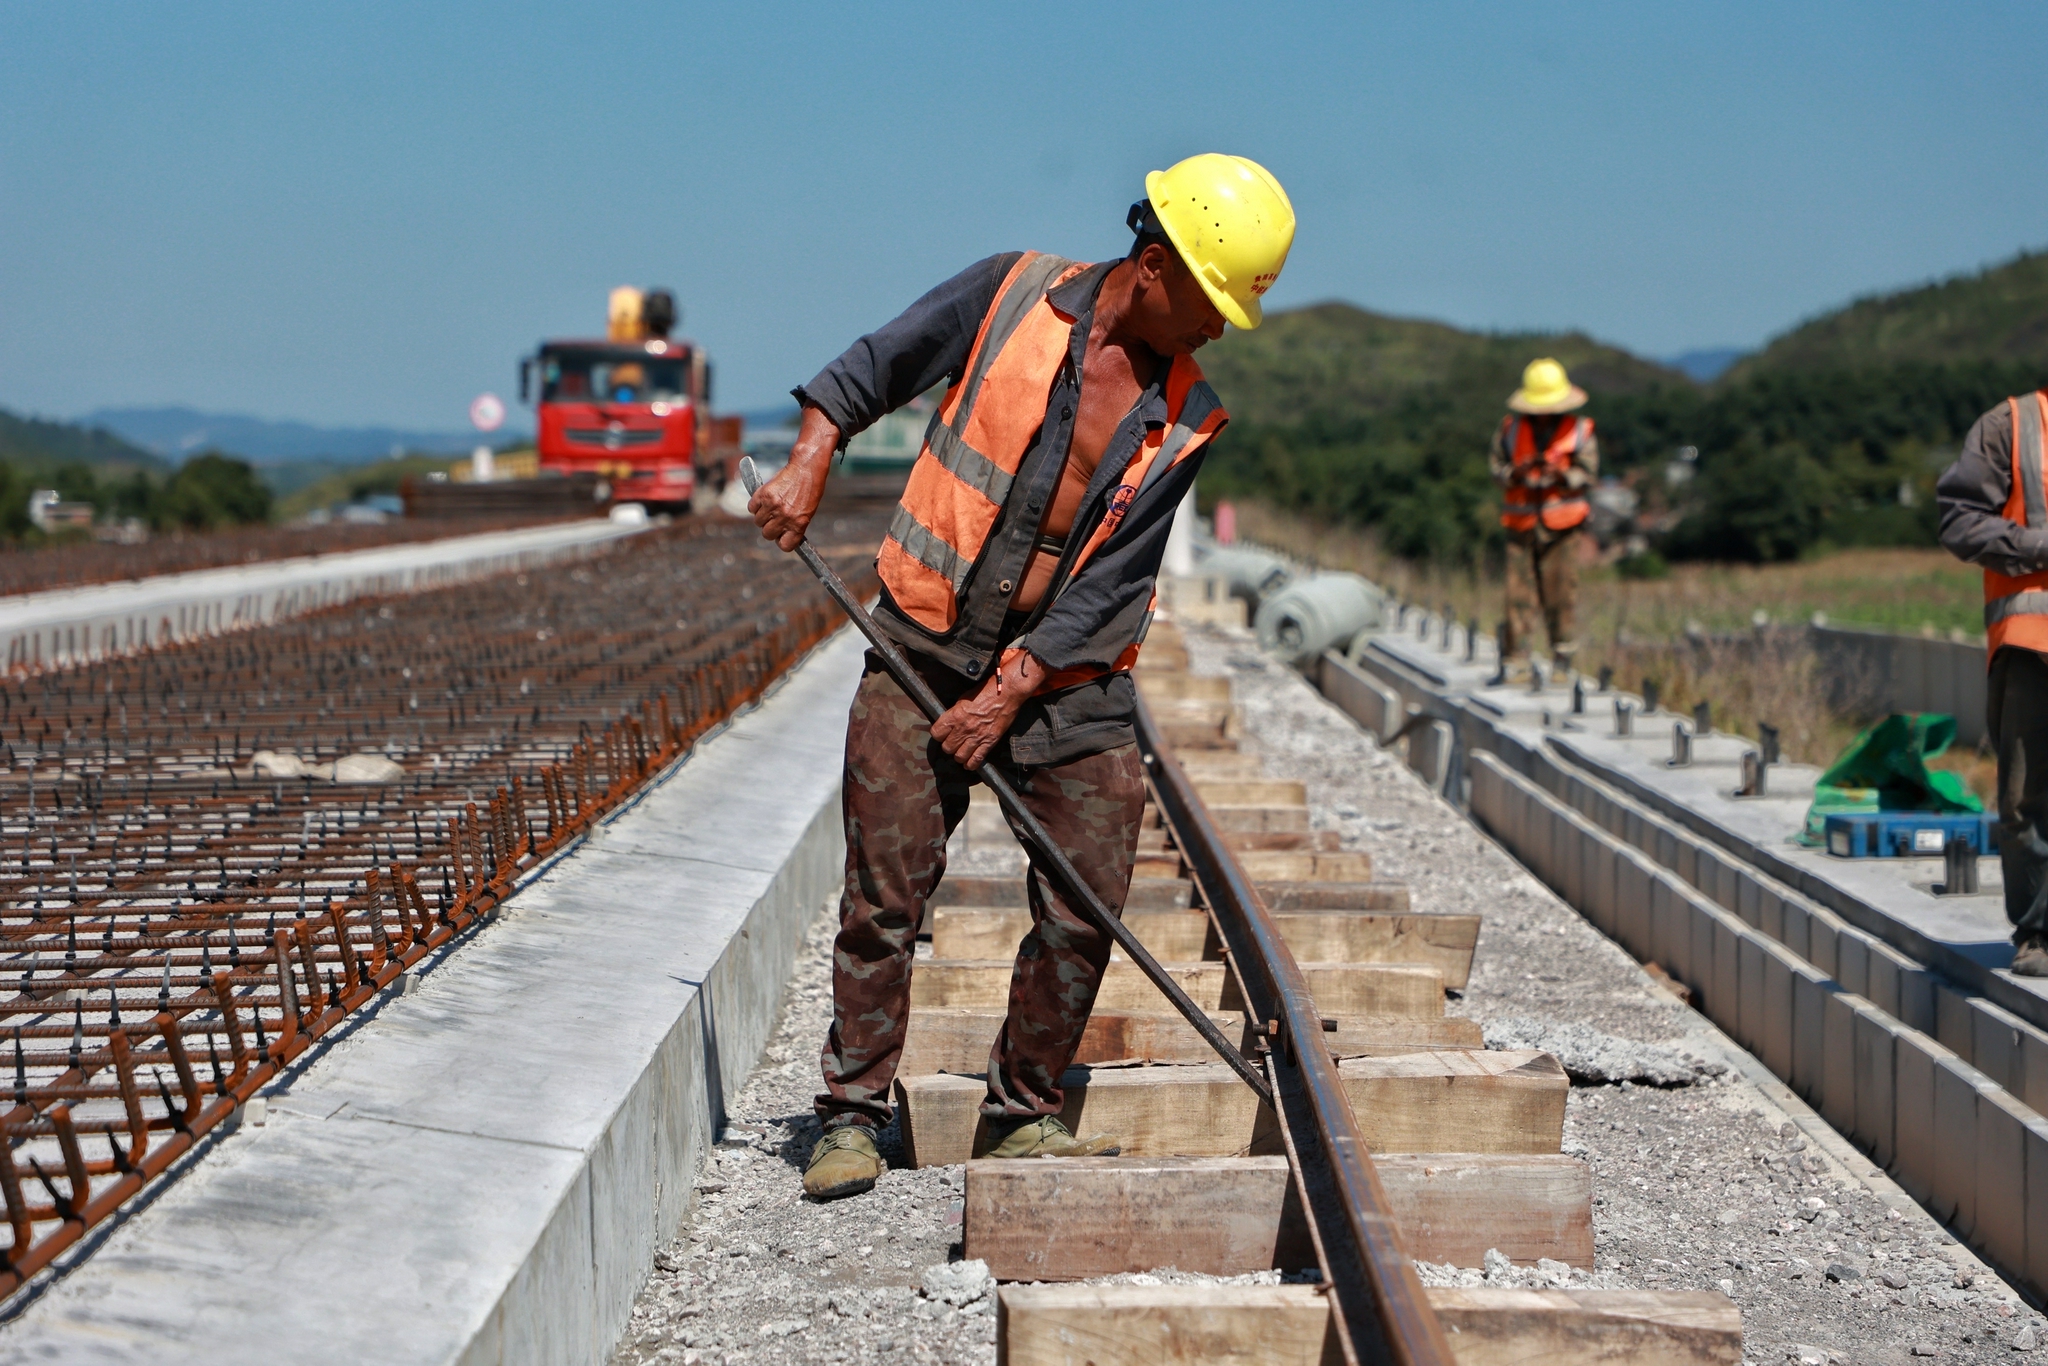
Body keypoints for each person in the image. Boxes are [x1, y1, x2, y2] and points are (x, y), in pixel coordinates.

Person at [749, 154, 1295, 1200]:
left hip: (1066, 681)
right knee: (885, 894)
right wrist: (812, 454)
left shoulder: (1187, 415)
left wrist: (1009, 691)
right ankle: (851, 1116)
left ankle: (1020, 1115)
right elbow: (873, 366)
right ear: (1152, 266)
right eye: (1211, 303)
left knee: (1086, 892)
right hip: (925, 640)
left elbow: (1118, 579)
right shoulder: (1008, 295)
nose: (1218, 330)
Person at [1937, 390, 2048, 976]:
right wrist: (2038, 547)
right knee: (2027, 798)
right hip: (2032, 642)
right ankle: (2040, 933)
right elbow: (1960, 520)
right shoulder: (2013, 425)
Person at [1489, 358, 1598, 682]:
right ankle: (1517, 659)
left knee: (1560, 594)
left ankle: (1562, 661)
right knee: (1517, 596)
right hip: (1520, 525)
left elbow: (1588, 474)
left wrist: (1562, 475)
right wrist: (1515, 473)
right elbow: (1496, 469)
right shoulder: (1510, 429)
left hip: (1563, 526)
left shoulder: (1580, 430)